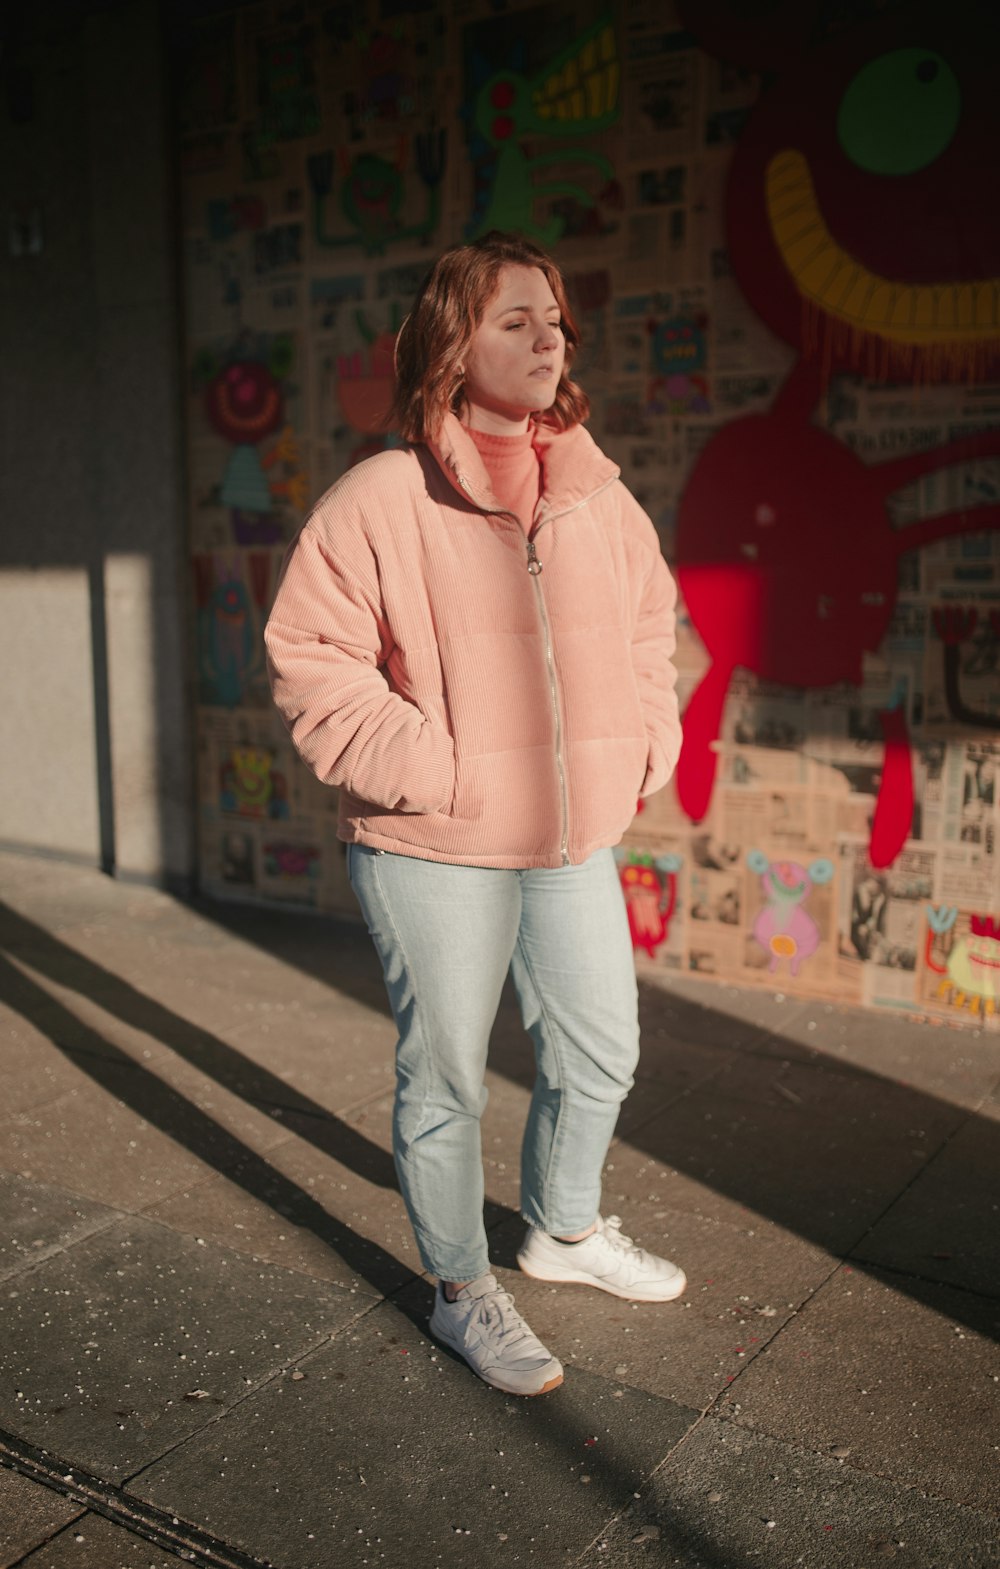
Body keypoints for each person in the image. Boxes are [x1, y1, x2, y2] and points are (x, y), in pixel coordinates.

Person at [264, 230, 686, 1398]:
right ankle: (460, 1290)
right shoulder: (378, 499)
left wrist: (642, 744)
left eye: (554, 318)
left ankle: (562, 1228)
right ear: (453, 342)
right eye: (516, 319)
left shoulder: (595, 493)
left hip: (572, 834)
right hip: (435, 840)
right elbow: (312, 662)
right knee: (447, 1074)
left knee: (600, 1050)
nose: (549, 337)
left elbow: (654, 625)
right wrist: (445, 773)